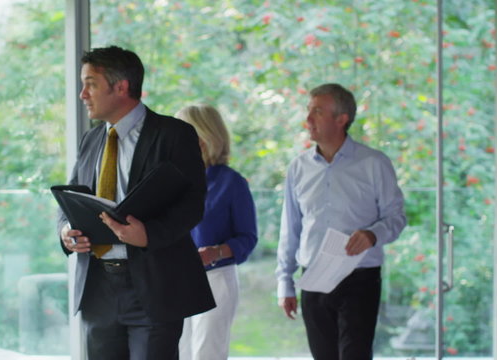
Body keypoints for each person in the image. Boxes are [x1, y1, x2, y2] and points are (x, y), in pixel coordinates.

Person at [57, 45, 215, 360]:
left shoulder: (174, 134)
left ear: (121, 86)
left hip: (154, 286)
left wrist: (149, 234)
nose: (82, 94)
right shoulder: (91, 139)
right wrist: (65, 232)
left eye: (90, 83)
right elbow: (69, 202)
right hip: (98, 288)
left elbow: (192, 204)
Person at [275, 83, 406, 360]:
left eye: (317, 112)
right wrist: (285, 282)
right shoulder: (298, 168)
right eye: (309, 111)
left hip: (359, 277)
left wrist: (372, 235)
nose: (308, 120)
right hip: (314, 278)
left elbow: (396, 217)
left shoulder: (374, 163)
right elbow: (291, 228)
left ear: (341, 119)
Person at [174, 104, 258, 360]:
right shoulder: (173, 181)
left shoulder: (231, 182)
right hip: (175, 280)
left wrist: (216, 252)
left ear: (203, 138)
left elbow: (247, 238)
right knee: (178, 353)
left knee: (206, 354)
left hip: (215, 280)